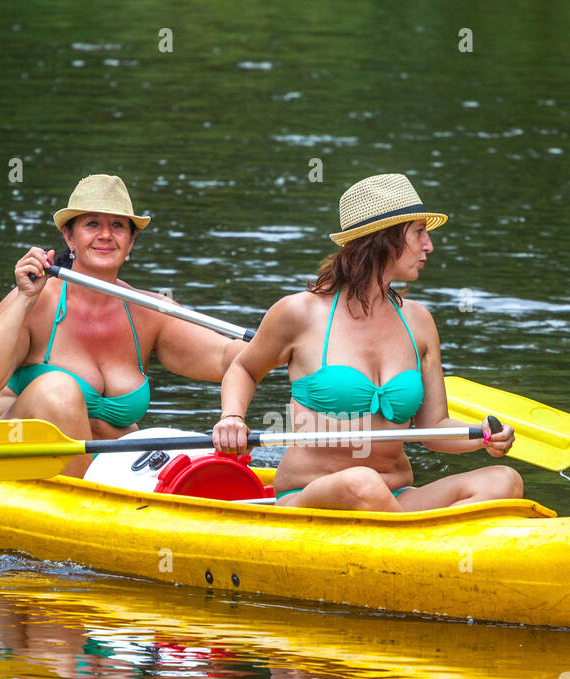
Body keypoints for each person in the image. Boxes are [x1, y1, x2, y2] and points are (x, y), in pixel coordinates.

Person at [213, 173, 520, 511]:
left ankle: (409, 541)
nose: (429, 245)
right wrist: (232, 418)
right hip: (312, 495)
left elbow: (433, 429)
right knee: (360, 482)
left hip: (396, 499)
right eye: (419, 232)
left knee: (504, 480)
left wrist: (481, 436)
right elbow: (243, 367)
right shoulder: (300, 312)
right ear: (384, 239)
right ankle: (418, 547)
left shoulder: (418, 321)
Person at [0, 173, 245, 477]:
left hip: (100, 478)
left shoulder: (149, 311)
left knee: (183, 452)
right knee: (57, 388)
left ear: (131, 240)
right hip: (1, 465)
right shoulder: (36, 299)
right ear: (70, 237)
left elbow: (234, 357)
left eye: (118, 225)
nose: (106, 235)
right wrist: (24, 299)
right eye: (92, 224)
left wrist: (233, 415)